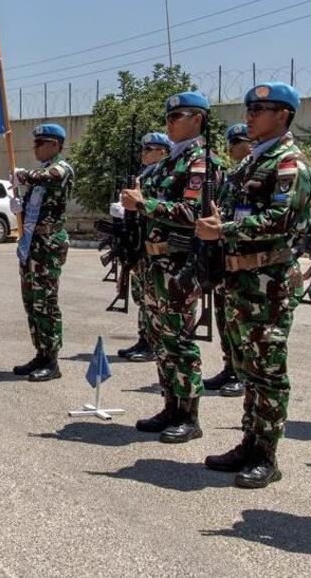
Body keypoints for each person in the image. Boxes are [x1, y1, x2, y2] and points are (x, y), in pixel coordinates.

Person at [197, 82, 311, 489]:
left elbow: (280, 221)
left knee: (268, 370)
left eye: (260, 108)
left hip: (268, 282)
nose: (250, 114)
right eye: (249, 107)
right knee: (248, 366)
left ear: (284, 115)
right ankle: (250, 441)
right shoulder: (249, 163)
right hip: (239, 278)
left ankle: (267, 454)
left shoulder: (288, 164)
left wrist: (223, 229)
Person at [121, 92, 216, 443]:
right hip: (154, 262)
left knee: (179, 339)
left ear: (198, 119)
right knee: (161, 339)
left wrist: (146, 204)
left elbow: (193, 213)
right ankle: (170, 405)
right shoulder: (165, 163)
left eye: (179, 115)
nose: (170, 121)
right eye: (169, 115)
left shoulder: (200, 162)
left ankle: (189, 415)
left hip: (178, 264)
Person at [10, 123, 75, 382]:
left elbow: (51, 176)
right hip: (31, 243)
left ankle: (52, 360)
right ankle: (40, 352)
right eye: (35, 143)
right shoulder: (38, 176)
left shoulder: (61, 168)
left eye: (40, 143)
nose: (35, 147)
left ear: (55, 145)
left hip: (49, 244)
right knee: (31, 301)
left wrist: (22, 175)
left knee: (46, 302)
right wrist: (19, 207)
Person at [203, 123, 252, 397]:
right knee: (225, 317)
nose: (232, 147)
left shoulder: (252, 173)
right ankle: (230, 367)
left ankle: (243, 374)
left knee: (242, 321)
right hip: (226, 255)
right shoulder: (231, 175)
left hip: (246, 256)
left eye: (237, 142)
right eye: (231, 143)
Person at [119, 131, 171, 363]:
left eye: (150, 149)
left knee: (153, 300)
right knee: (142, 296)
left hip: (156, 245)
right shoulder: (144, 176)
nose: (144, 153)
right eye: (144, 149)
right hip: (141, 243)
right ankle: (144, 338)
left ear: (162, 152)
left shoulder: (162, 176)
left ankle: (153, 342)